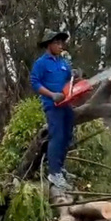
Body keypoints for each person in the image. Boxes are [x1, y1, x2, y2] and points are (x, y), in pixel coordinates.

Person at [30, 30, 75, 190]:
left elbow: (71, 78)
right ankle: (54, 173)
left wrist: (76, 75)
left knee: (68, 136)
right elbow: (35, 83)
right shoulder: (41, 63)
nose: (60, 46)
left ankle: (60, 167)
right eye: (57, 43)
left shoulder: (63, 63)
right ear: (49, 44)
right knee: (57, 136)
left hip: (66, 104)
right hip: (52, 105)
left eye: (61, 43)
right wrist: (51, 95)